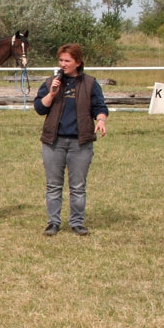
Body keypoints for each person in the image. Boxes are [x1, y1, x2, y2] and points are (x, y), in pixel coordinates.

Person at [34, 43, 109, 236]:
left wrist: (101, 120)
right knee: (53, 185)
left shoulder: (90, 83)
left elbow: (100, 107)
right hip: (54, 142)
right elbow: (40, 108)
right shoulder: (51, 82)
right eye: (61, 60)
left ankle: (77, 223)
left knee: (77, 186)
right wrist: (51, 93)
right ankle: (53, 222)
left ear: (78, 62)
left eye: (67, 60)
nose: (63, 64)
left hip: (80, 142)